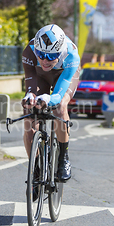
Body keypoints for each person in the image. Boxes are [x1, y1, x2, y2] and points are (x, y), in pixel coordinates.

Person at [21, 24, 81, 182]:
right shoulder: (29, 50)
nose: (45, 60)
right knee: (29, 111)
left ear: (60, 52)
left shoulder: (71, 55)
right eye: (41, 55)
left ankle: (63, 158)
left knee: (60, 107)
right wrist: (31, 96)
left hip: (65, 74)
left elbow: (58, 94)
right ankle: (34, 169)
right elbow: (31, 85)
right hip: (41, 76)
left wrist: (48, 98)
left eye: (51, 56)